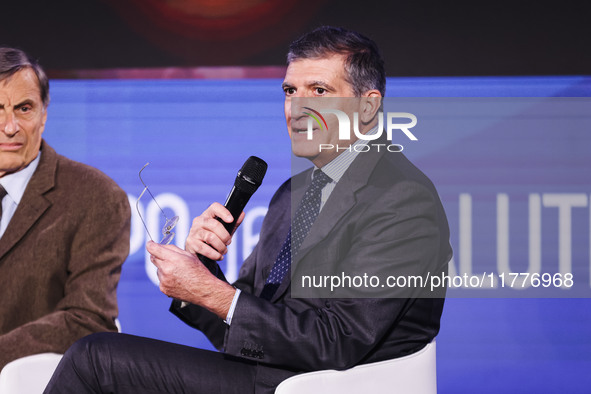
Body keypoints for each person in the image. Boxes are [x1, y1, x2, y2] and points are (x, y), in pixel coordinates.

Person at [45, 26, 452, 393]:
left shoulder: (401, 197)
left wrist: (216, 295)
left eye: (319, 91)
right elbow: (244, 329)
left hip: (321, 384)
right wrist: (201, 275)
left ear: (367, 107)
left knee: (94, 358)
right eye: (290, 91)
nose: (297, 108)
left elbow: (339, 341)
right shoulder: (293, 193)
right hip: (269, 373)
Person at [0, 48, 131, 370]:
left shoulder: (96, 196)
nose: (10, 126)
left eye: (24, 108)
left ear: (44, 114)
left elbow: (88, 318)